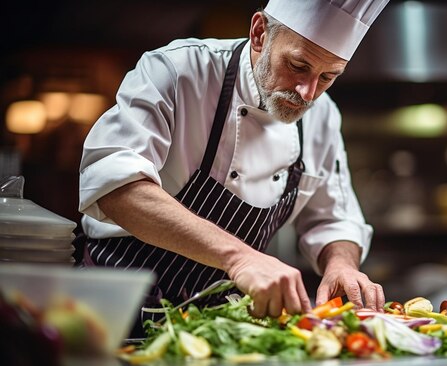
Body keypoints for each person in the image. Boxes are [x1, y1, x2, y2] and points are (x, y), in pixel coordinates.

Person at [76, 0, 389, 333]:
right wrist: (239, 257)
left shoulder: (322, 116)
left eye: (327, 76)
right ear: (259, 33)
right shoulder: (178, 70)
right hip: (115, 310)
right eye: (298, 65)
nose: (307, 93)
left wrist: (341, 264)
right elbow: (116, 186)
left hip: (221, 330)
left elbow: (335, 218)